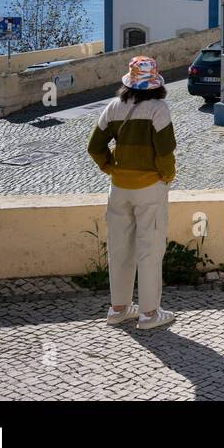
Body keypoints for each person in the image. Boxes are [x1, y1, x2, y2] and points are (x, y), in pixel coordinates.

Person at [87, 56, 177, 330]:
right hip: (149, 187)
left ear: (129, 81)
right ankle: (149, 314)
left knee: (119, 248)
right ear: (155, 84)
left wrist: (110, 167)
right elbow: (165, 152)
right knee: (149, 249)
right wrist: (167, 176)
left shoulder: (113, 107)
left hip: (119, 188)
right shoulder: (158, 109)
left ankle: (118, 309)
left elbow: (94, 146)